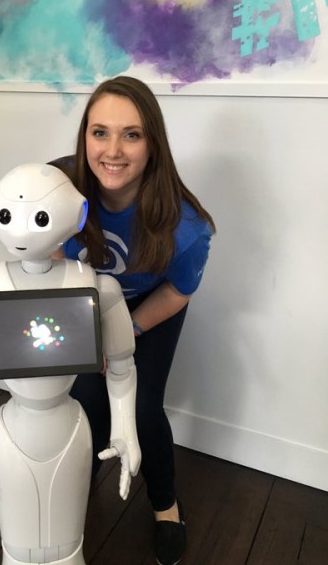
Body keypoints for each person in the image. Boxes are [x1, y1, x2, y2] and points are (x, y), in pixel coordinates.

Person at [51, 76, 215, 565]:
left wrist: (126, 332)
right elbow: (45, 256)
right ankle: (77, 489)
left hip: (149, 308)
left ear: (152, 143)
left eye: (132, 135)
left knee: (142, 407)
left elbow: (178, 291)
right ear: (84, 136)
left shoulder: (187, 226)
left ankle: (166, 506)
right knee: (86, 402)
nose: (113, 151)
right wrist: (86, 330)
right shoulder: (54, 191)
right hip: (87, 308)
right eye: (100, 132)